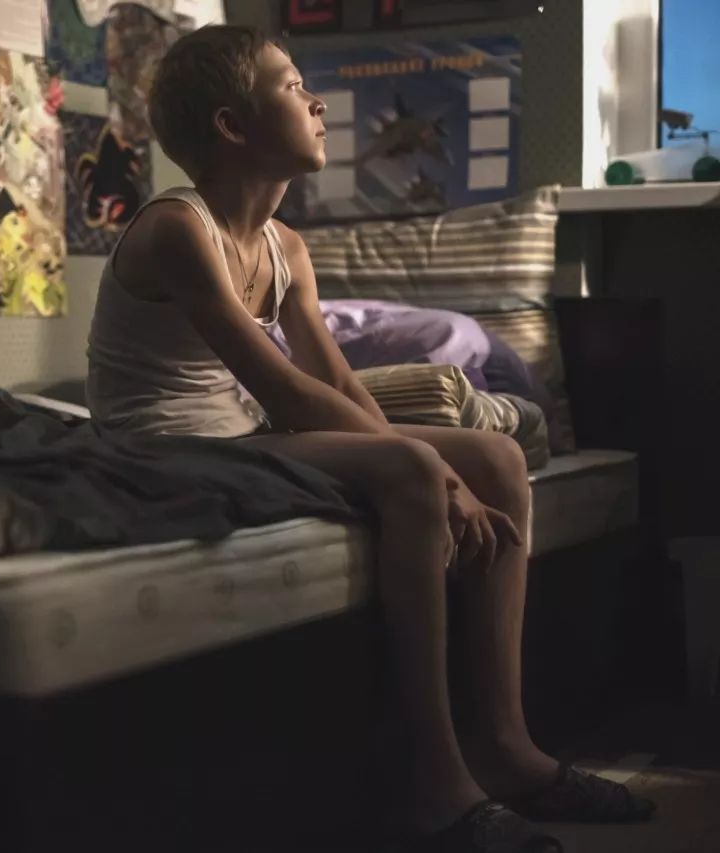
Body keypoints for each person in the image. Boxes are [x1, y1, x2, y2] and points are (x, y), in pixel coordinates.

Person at [85, 25, 654, 852]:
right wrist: (427, 472)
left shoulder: (286, 246)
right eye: (292, 87)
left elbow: (337, 382)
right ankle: (434, 778)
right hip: (167, 449)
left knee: (496, 456)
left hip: (241, 434)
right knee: (417, 470)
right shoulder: (177, 228)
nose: (316, 102)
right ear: (232, 126)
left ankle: (506, 745)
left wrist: (437, 461)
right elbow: (284, 390)